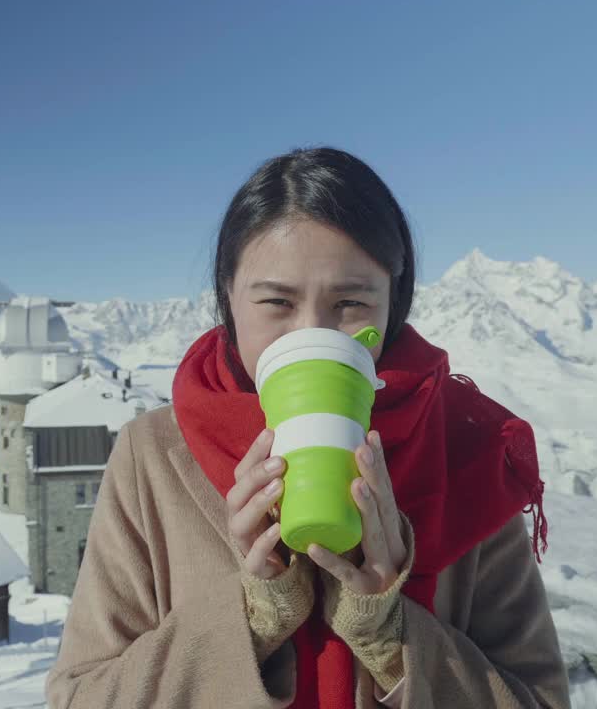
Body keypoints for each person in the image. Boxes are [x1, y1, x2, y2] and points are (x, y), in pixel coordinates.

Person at [46, 148, 570, 708]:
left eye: (350, 302)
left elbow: (540, 699)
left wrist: (389, 635)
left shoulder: (464, 455)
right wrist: (254, 618)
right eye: (277, 302)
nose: (311, 333)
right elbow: (80, 697)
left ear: (393, 302)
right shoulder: (152, 456)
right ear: (228, 296)